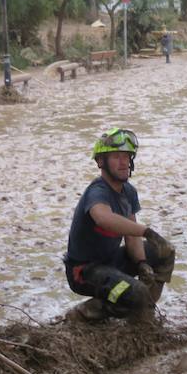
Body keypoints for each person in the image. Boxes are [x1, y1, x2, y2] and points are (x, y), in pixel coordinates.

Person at [64, 127, 175, 321]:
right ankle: (85, 312)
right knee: (137, 292)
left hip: (112, 261)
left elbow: (131, 237)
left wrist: (141, 263)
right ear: (101, 162)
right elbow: (103, 218)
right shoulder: (97, 192)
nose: (123, 162)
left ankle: (144, 311)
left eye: (126, 156)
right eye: (116, 156)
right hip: (84, 271)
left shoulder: (128, 192)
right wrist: (147, 232)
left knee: (165, 251)